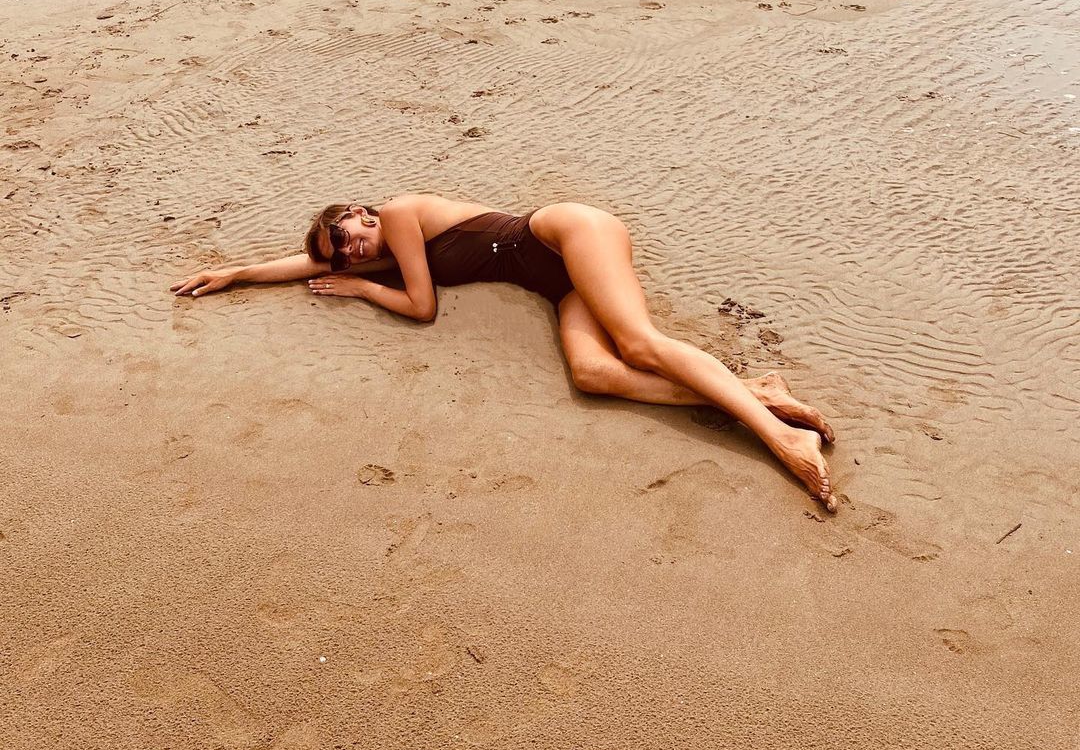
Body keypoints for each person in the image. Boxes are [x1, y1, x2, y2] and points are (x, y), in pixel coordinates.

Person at [171, 195, 837, 511]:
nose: (351, 253)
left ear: (364, 213)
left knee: (640, 344)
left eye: (348, 236)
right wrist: (235, 273)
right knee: (595, 374)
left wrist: (362, 288)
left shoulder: (398, 216)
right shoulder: (388, 252)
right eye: (341, 254)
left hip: (564, 235)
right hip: (557, 283)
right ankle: (757, 391)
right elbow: (305, 265)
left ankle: (780, 437)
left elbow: (422, 308)